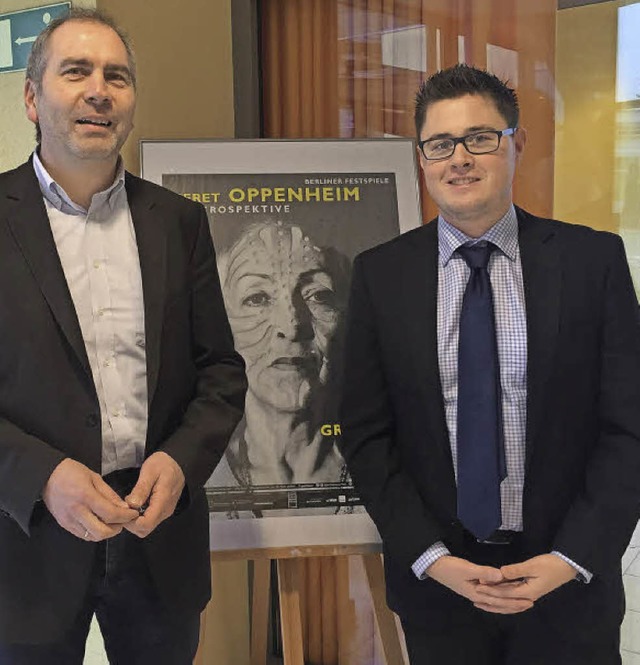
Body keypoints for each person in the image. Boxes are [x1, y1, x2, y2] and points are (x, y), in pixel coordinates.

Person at [339, 63, 640, 665]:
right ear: (422, 159)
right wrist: (431, 558)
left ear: (516, 144)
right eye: (441, 144)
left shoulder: (592, 262)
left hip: (566, 581)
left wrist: (573, 558)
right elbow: (367, 435)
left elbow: (628, 427)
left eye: (481, 138)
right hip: (441, 585)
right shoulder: (380, 275)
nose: (460, 159)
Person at [0, 8, 247, 663]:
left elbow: (220, 371)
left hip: (157, 538)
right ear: (32, 96)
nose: (99, 91)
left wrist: (180, 461)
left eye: (118, 76)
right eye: (75, 71)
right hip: (26, 546)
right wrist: (43, 475)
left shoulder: (178, 223)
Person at [210, 221, 348, 488]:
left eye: (317, 296)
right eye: (257, 299)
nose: (292, 326)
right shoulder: (191, 473)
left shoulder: (383, 463)